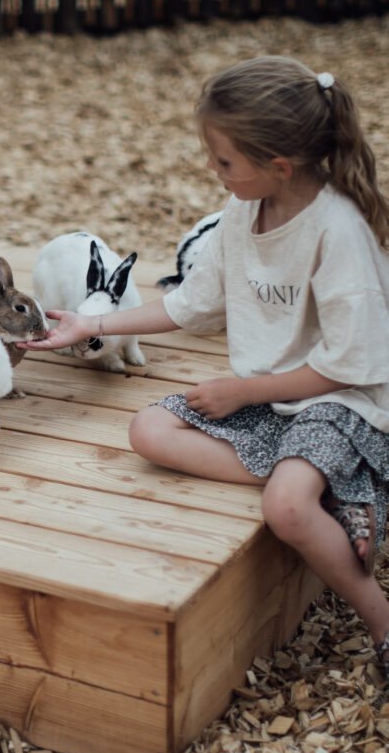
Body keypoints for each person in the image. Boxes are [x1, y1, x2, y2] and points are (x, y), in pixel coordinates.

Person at [21, 56, 389, 684]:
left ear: (278, 166)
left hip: (343, 400)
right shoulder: (244, 210)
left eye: (222, 161)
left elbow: (348, 366)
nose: (213, 171)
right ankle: (338, 488)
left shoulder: (339, 231)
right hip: (273, 396)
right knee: (148, 431)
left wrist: (241, 390)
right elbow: (192, 304)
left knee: (287, 509)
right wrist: (92, 325)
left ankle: (381, 620)